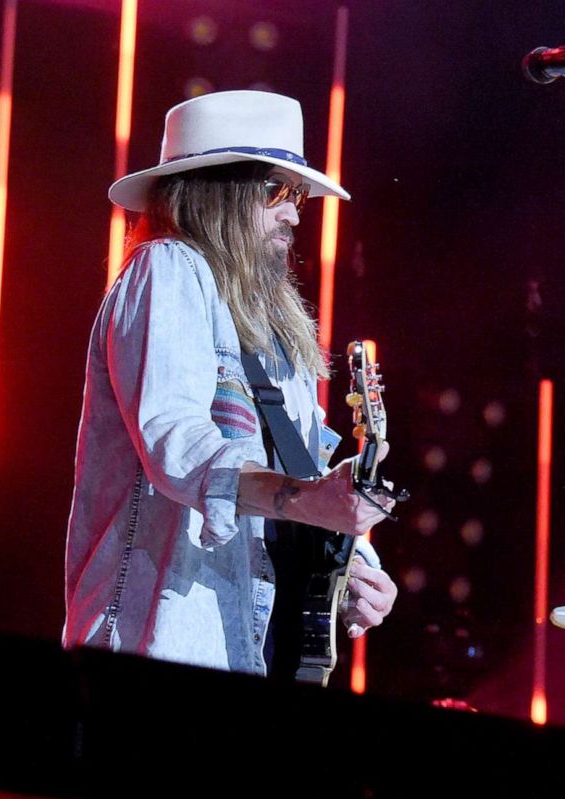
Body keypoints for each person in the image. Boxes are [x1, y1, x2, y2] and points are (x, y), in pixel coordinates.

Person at [64, 90, 397, 676]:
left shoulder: (273, 330)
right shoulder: (164, 270)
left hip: (256, 644)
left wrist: (359, 565)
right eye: (278, 192)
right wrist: (304, 500)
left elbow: (306, 475)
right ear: (220, 191)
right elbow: (177, 444)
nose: (294, 214)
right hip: (165, 639)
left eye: (297, 197)